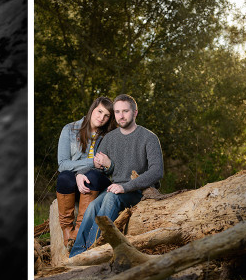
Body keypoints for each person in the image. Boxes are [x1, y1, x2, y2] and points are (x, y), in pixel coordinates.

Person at [68, 94, 164, 258]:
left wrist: (125, 186)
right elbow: (98, 167)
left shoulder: (149, 137)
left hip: (139, 191)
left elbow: (157, 172)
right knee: (92, 207)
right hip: (116, 189)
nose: (121, 115)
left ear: (135, 113)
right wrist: (80, 174)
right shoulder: (110, 139)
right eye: (117, 112)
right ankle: (76, 256)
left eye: (125, 111)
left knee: (111, 198)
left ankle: (92, 253)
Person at [55, 96, 116, 247]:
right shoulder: (70, 129)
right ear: (92, 109)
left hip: (97, 182)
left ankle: (80, 229)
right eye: (99, 111)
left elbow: (110, 168)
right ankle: (67, 231)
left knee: (93, 175)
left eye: (106, 115)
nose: (101, 118)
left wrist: (87, 171)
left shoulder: (109, 135)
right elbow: (62, 164)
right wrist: (85, 167)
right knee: (64, 177)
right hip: (75, 182)